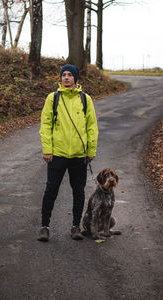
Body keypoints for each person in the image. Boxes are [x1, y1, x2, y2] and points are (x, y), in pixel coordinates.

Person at [38, 64, 98, 242]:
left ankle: (75, 226)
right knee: (51, 190)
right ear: (60, 78)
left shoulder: (85, 99)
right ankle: (44, 226)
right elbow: (45, 125)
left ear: (75, 78)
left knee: (78, 192)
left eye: (69, 75)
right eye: (63, 75)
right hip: (57, 154)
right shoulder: (52, 98)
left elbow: (92, 127)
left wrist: (91, 150)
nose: (66, 77)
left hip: (79, 155)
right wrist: (47, 149)